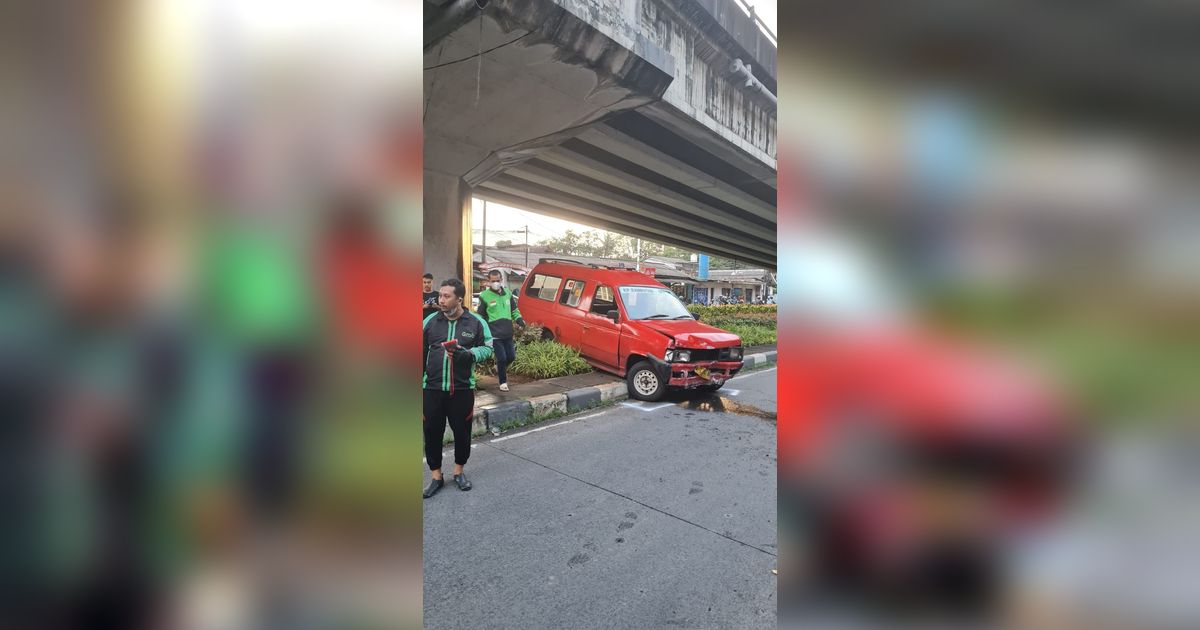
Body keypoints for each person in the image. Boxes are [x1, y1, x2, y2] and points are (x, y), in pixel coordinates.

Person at [422, 278, 493, 498]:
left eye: (446, 296)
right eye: (440, 295)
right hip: (432, 389)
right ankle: (436, 477)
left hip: (461, 390)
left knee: (462, 434)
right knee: (432, 434)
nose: (440, 300)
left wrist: (470, 354)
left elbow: (489, 348)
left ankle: (459, 472)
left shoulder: (476, 322)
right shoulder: (431, 321)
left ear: (459, 299)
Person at [476, 269, 525, 395]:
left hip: (508, 332)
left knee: (511, 357)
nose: (496, 283)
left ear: (501, 280)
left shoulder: (507, 293)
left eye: (498, 280)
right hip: (494, 334)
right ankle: (503, 382)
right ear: (489, 281)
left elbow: (514, 310)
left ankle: (498, 367)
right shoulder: (484, 296)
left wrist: (519, 320)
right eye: (493, 281)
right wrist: (484, 330)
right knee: (502, 358)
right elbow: (480, 316)